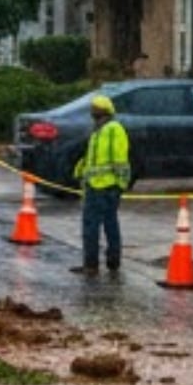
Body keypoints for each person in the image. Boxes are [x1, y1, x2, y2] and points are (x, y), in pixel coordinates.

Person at [73, 93, 131, 274]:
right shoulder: (99, 131)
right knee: (108, 223)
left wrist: (121, 183)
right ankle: (111, 263)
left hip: (105, 187)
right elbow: (92, 158)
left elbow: (120, 159)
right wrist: (80, 171)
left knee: (94, 225)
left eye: (95, 111)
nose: (93, 115)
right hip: (98, 185)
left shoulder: (113, 130)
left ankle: (93, 265)